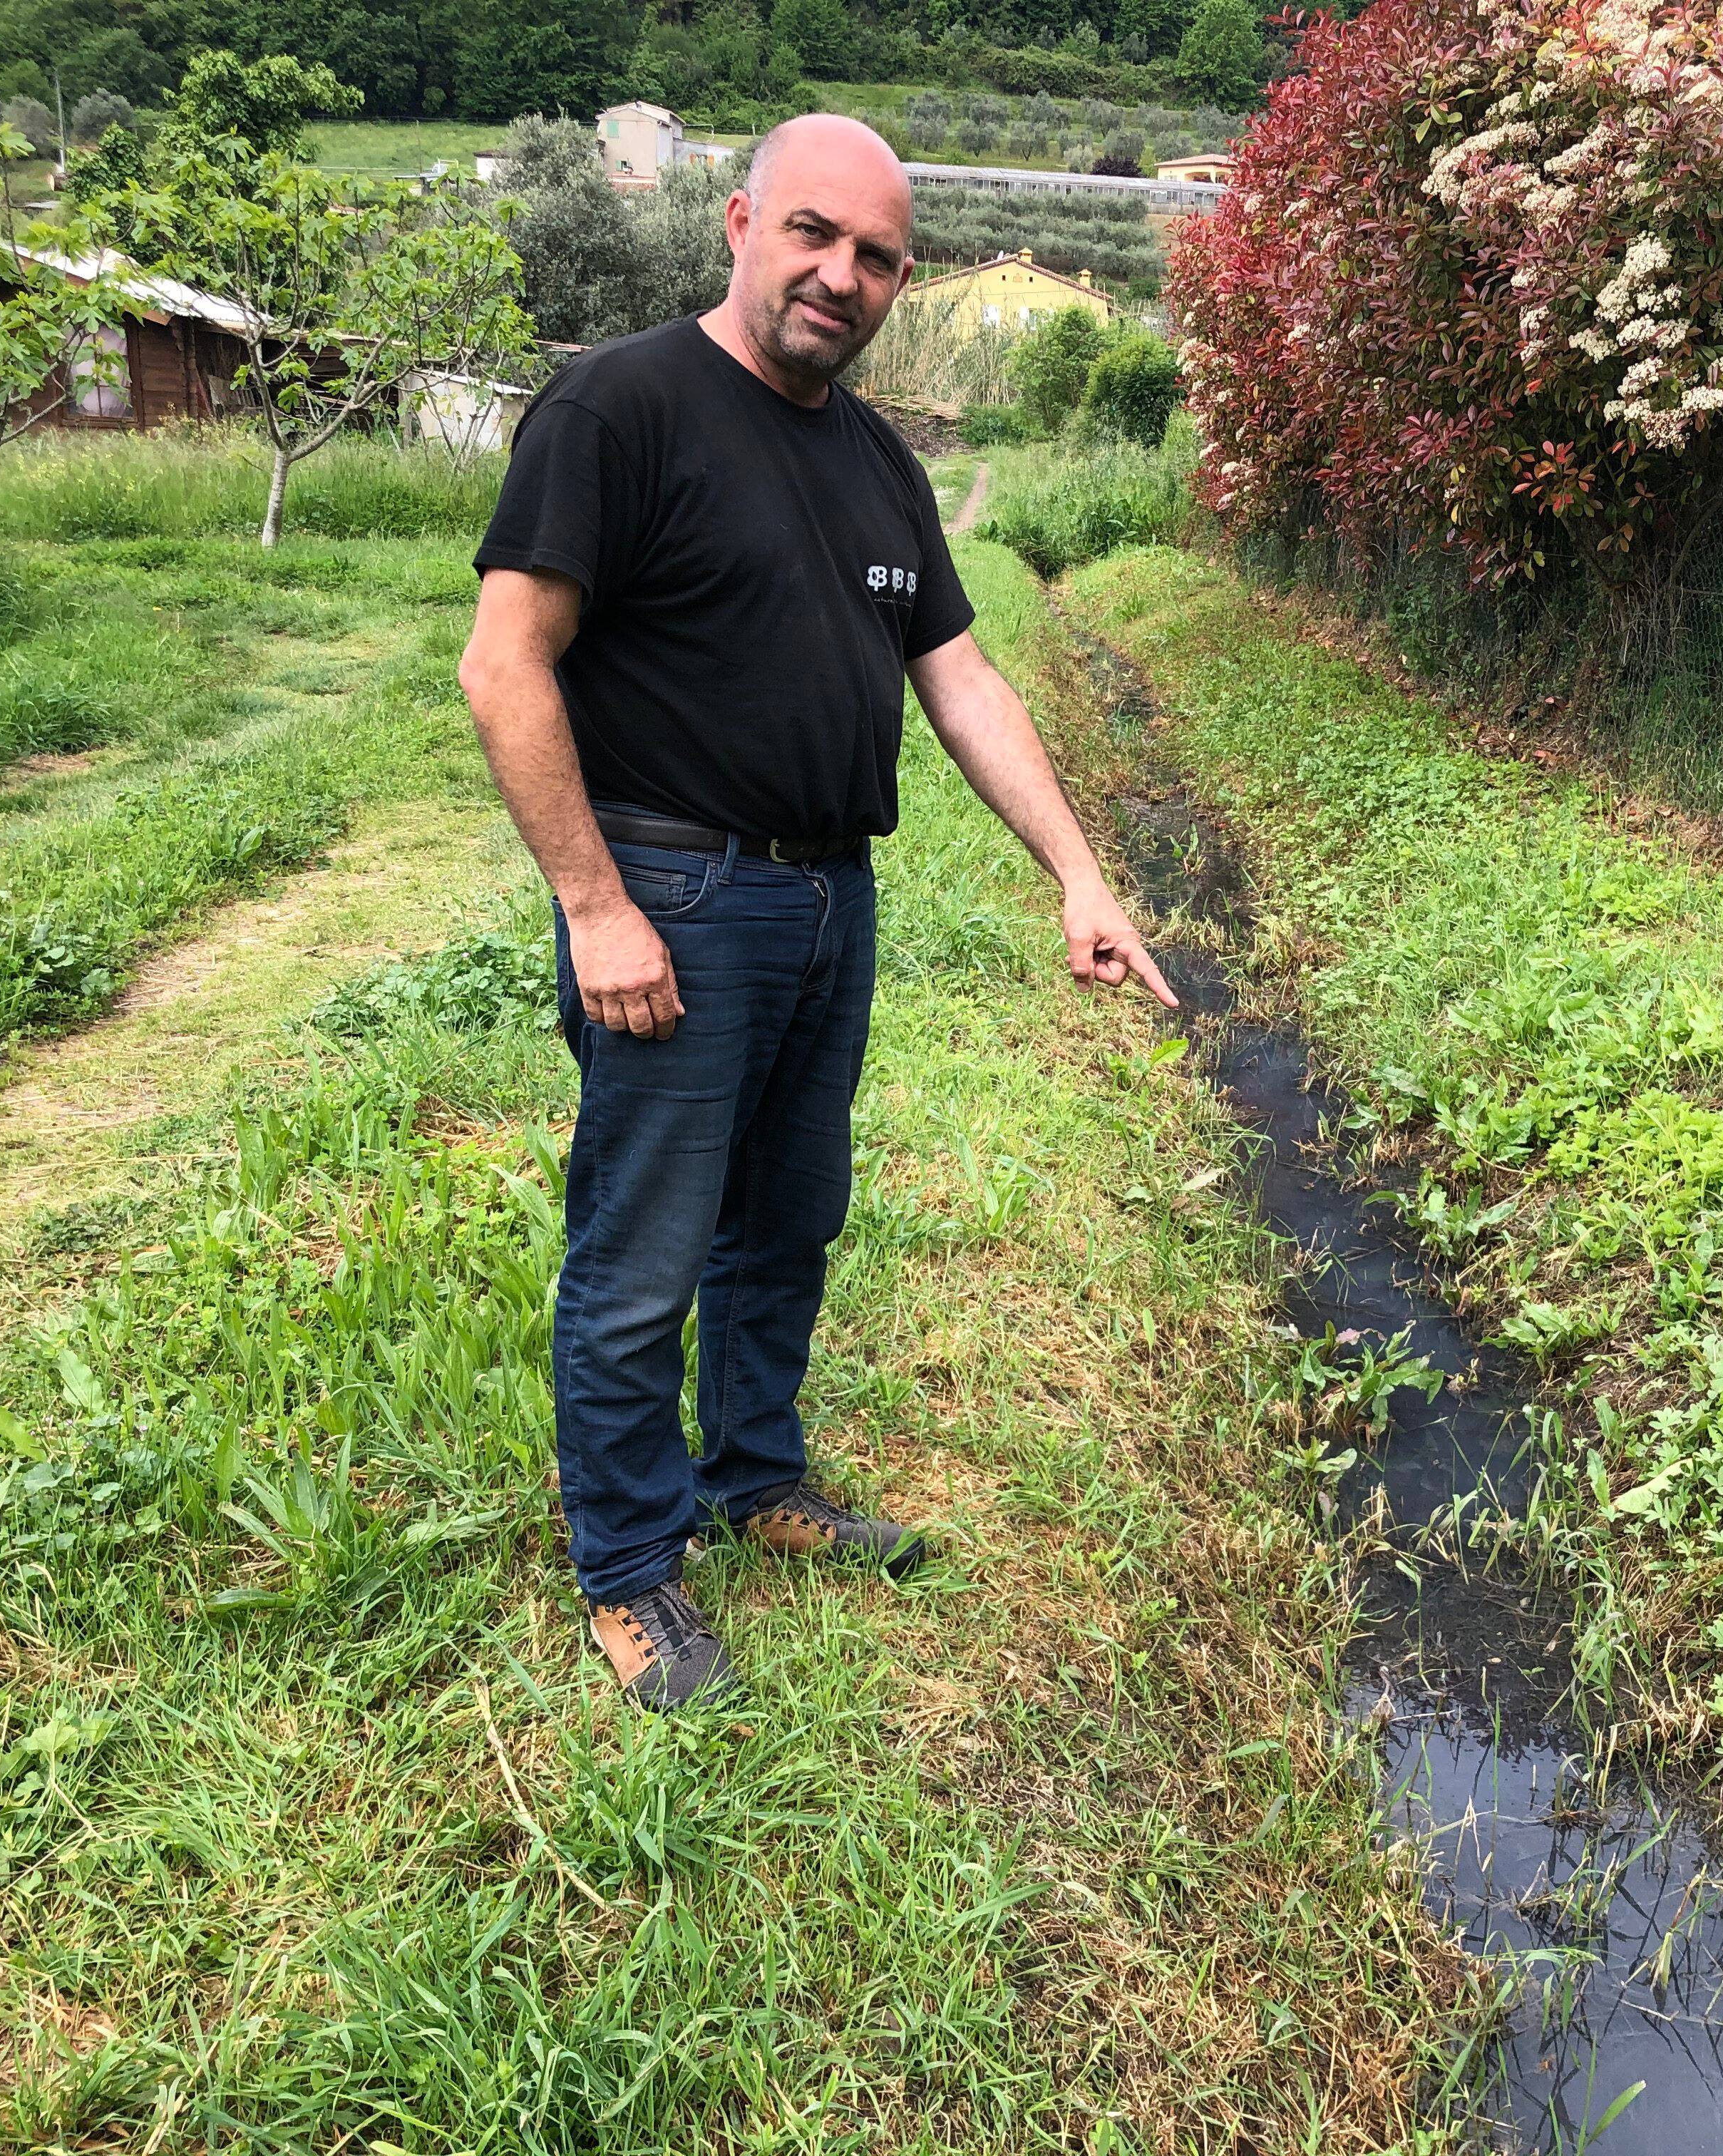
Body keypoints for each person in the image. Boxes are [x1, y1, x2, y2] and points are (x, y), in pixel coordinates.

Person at [457, 113, 1176, 1713]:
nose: (840, 276)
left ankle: (753, 1480)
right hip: (677, 894)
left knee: (786, 1223)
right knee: (640, 1257)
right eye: (813, 236)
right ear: (740, 224)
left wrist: (1079, 873)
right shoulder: (620, 406)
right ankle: (632, 1573)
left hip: (827, 902)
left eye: (876, 258)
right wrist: (596, 904)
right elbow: (505, 664)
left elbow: (963, 676)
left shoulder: (875, 462)